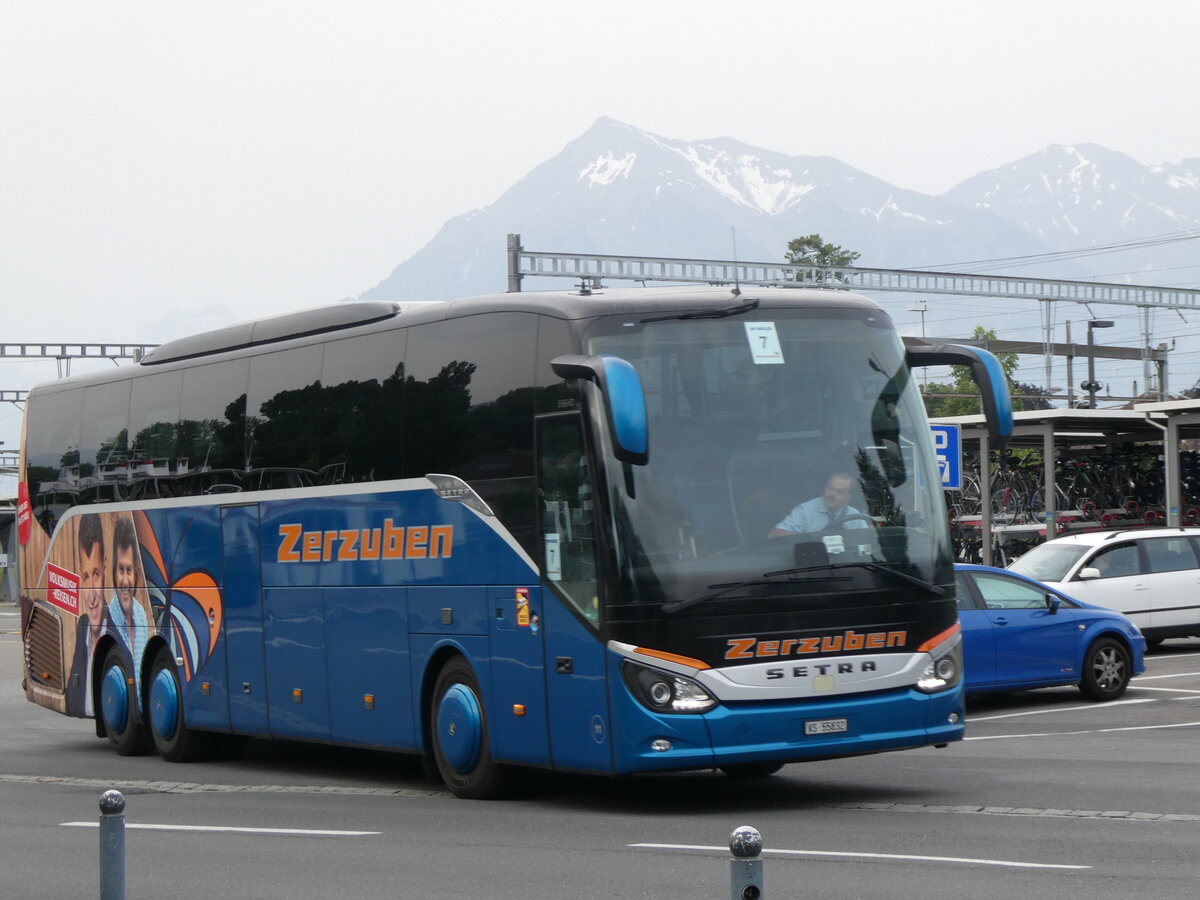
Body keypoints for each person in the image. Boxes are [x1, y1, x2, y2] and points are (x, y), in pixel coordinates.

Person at [66, 513, 113, 716]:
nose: (92, 595)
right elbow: (70, 697)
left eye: (95, 574)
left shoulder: (118, 626)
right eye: (86, 577)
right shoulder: (82, 626)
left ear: (105, 567)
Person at [106, 516, 150, 691]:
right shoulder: (106, 620)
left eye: (129, 570)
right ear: (114, 574)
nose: (125, 580)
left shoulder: (141, 616)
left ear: (136, 574)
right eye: (121, 570)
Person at [769, 472, 870, 538]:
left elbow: (867, 539)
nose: (831, 494)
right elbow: (775, 534)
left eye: (839, 492)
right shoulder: (805, 511)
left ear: (847, 499)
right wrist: (811, 540)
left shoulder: (854, 516)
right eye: (829, 488)